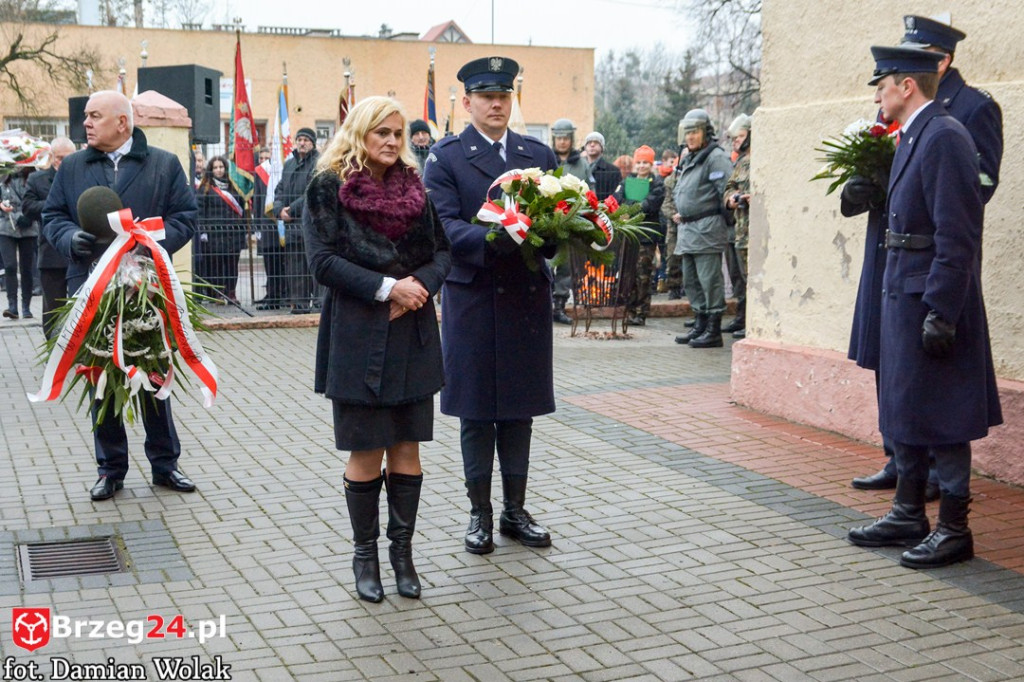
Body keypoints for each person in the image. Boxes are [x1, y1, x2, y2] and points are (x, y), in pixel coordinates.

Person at [846, 46, 1002, 569]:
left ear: (906, 87)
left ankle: (954, 529)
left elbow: (958, 234)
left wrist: (942, 308)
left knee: (944, 415)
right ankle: (907, 513)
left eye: (882, 86)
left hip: (930, 299)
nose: (878, 96)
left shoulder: (945, 136)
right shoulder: (916, 134)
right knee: (907, 406)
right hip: (903, 294)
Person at [303, 96, 451, 602]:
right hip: (357, 335)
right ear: (359, 133)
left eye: (397, 133)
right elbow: (322, 261)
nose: (391, 141)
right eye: (381, 132)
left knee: (407, 447)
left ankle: (402, 556)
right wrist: (389, 289)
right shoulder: (328, 186)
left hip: (412, 333)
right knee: (366, 450)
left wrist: (418, 287)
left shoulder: (415, 187)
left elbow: (442, 252)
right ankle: (364, 557)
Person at [423, 55, 558, 555]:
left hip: (524, 297)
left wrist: (555, 234)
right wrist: (494, 239)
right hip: (474, 296)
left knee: (519, 410)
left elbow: (557, 220)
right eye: (486, 97)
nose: (496, 104)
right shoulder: (446, 157)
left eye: (503, 95)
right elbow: (442, 225)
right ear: (467, 102)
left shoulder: (536, 154)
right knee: (477, 411)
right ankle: (479, 512)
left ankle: (514, 511)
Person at [42, 90, 198, 501]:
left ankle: (165, 464)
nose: (86, 123)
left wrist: (148, 245)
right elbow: (52, 215)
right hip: (91, 287)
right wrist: (68, 238)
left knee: (153, 377)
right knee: (101, 381)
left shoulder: (163, 164)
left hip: (145, 288)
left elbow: (185, 217)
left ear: (122, 122)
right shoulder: (73, 166)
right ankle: (110, 470)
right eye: (86, 116)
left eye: (94, 116)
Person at [670, 108, 733, 349]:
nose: (690, 137)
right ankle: (700, 324)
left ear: (706, 132)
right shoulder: (691, 157)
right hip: (688, 229)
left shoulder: (715, 157)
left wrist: (727, 216)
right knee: (692, 281)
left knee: (709, 280)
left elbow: (726, 189)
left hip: (707, 228)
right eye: (687, 133)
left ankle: (713, 330)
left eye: (695, 132)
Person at [22, 137, 74, 338]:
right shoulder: (37, 179)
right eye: (59, 158)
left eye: (68, 158)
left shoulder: (82, 177)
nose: (63, 162)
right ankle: (53, 348)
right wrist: (54, 204)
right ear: (52, 157)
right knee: (52, 308)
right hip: (51, 253)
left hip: (79, 252)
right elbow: (27, 207)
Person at [614, 145, 664, 326]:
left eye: (645, 162)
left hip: (646, 236)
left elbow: (650, 204)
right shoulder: (627, 181)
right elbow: (617, 198)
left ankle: (641, 312)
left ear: (651, 164)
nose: (642, 166)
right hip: (628, 235)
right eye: (639, 162)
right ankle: (629, 311)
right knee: (628, 274)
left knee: (643, 276)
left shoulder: (657, 183)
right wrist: (632, 206)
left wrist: (629, 209)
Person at [273, 127, 319, 314]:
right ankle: (299, 305)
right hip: (292, 226)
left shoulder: (319, 162)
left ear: (313, 143)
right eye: (299, 139)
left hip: (312, 224)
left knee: (314, 266)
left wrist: (292, 209)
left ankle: (319, 305)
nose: (302, 143)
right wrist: (279, 209)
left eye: (306, 140)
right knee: (295, 267)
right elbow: (280, 189)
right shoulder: (289, 164)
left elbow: (313, 191)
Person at [549, 117, 588, 325]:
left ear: (571, 139)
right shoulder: (547, 159)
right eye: (559, 138)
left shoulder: (581, 164)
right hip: (548, 223)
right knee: (546, 264)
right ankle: (544, 305)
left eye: (566, 138)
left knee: (565, 267)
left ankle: (559, 306)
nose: (562, 142)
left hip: (571, 222)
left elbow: (590, 192)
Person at [195, 156, 246, 304]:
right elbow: (200, 211)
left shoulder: (234, 187)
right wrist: (203, 231)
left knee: (232, 265)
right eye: (215, 167)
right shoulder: (205, 188)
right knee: (215, 266)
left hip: (233, 234)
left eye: (221, 167)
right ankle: (217, 294)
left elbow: (242, 210)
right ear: (211, 170)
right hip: (214, 234)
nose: (219, 170)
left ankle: (231, 293)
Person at [723, 114, 751, 339]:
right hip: (739, 229)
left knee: (752, 279)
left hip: (755, 232)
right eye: (733, 139)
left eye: (739, 137)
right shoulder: (741, 162)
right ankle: (742, 318)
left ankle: (752, 323)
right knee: (740, 278)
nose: (736, 142)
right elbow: (729, 187)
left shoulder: (762, 158)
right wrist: (731, 198)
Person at [1, 166, 36, 320]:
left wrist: (29, 216)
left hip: (28, 227)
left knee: (26, 268)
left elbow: (38, 199)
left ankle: (26, 306)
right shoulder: (3, 176)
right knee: (9, 266)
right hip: (6, 227)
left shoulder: (33, 177)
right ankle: (12, 306)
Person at [580, 131, 620, 200]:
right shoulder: (578, 169)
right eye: (589, 142)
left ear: (602, 147)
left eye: (596, 142)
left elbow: (615, 197)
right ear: (585, 147)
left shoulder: (613, 171)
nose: (592, 145)